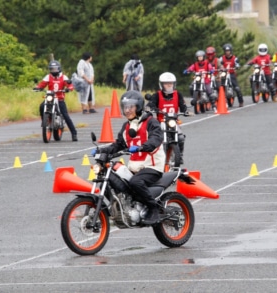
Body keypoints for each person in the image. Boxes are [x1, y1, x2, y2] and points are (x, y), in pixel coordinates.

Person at [94, 91, 165, 225]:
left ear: (138, 107)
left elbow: (157, 138)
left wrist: (142, 146)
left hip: (152, 166)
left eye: (131, 107)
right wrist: (101, 150)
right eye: (125, 107)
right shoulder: (127, 126)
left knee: (135, 183)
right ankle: (120, 209)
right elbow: (119, 144)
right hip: (135, 167)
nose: (127, 110)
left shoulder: (151, 122)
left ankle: (153, 208)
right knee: (112, 177)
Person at [145, 72, 190, 164]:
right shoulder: (157, 95)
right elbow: (151, 104)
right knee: (153, 137)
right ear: (161, 85)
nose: (169, 85)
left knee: (180, 137)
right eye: (166, 83)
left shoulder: (178, 94)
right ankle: (152, 157)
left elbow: (182, 105)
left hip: (173, 121)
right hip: (161, 121)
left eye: (171, 83)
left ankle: (179, 156)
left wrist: (185, 111)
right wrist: (152, 108)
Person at [34, 60, 78, 141]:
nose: (53, 71)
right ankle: (45, 121)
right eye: (51, 69)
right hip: (50, 97)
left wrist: (69, 88)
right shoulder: (48, 76)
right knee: (41, 106)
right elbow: (42, 84)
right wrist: (38, 87)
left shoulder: (63, 77)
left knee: (65, 115)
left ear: (59, 69)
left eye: (55, 69)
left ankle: (74, 133)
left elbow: (70, 85)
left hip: (59, 98)